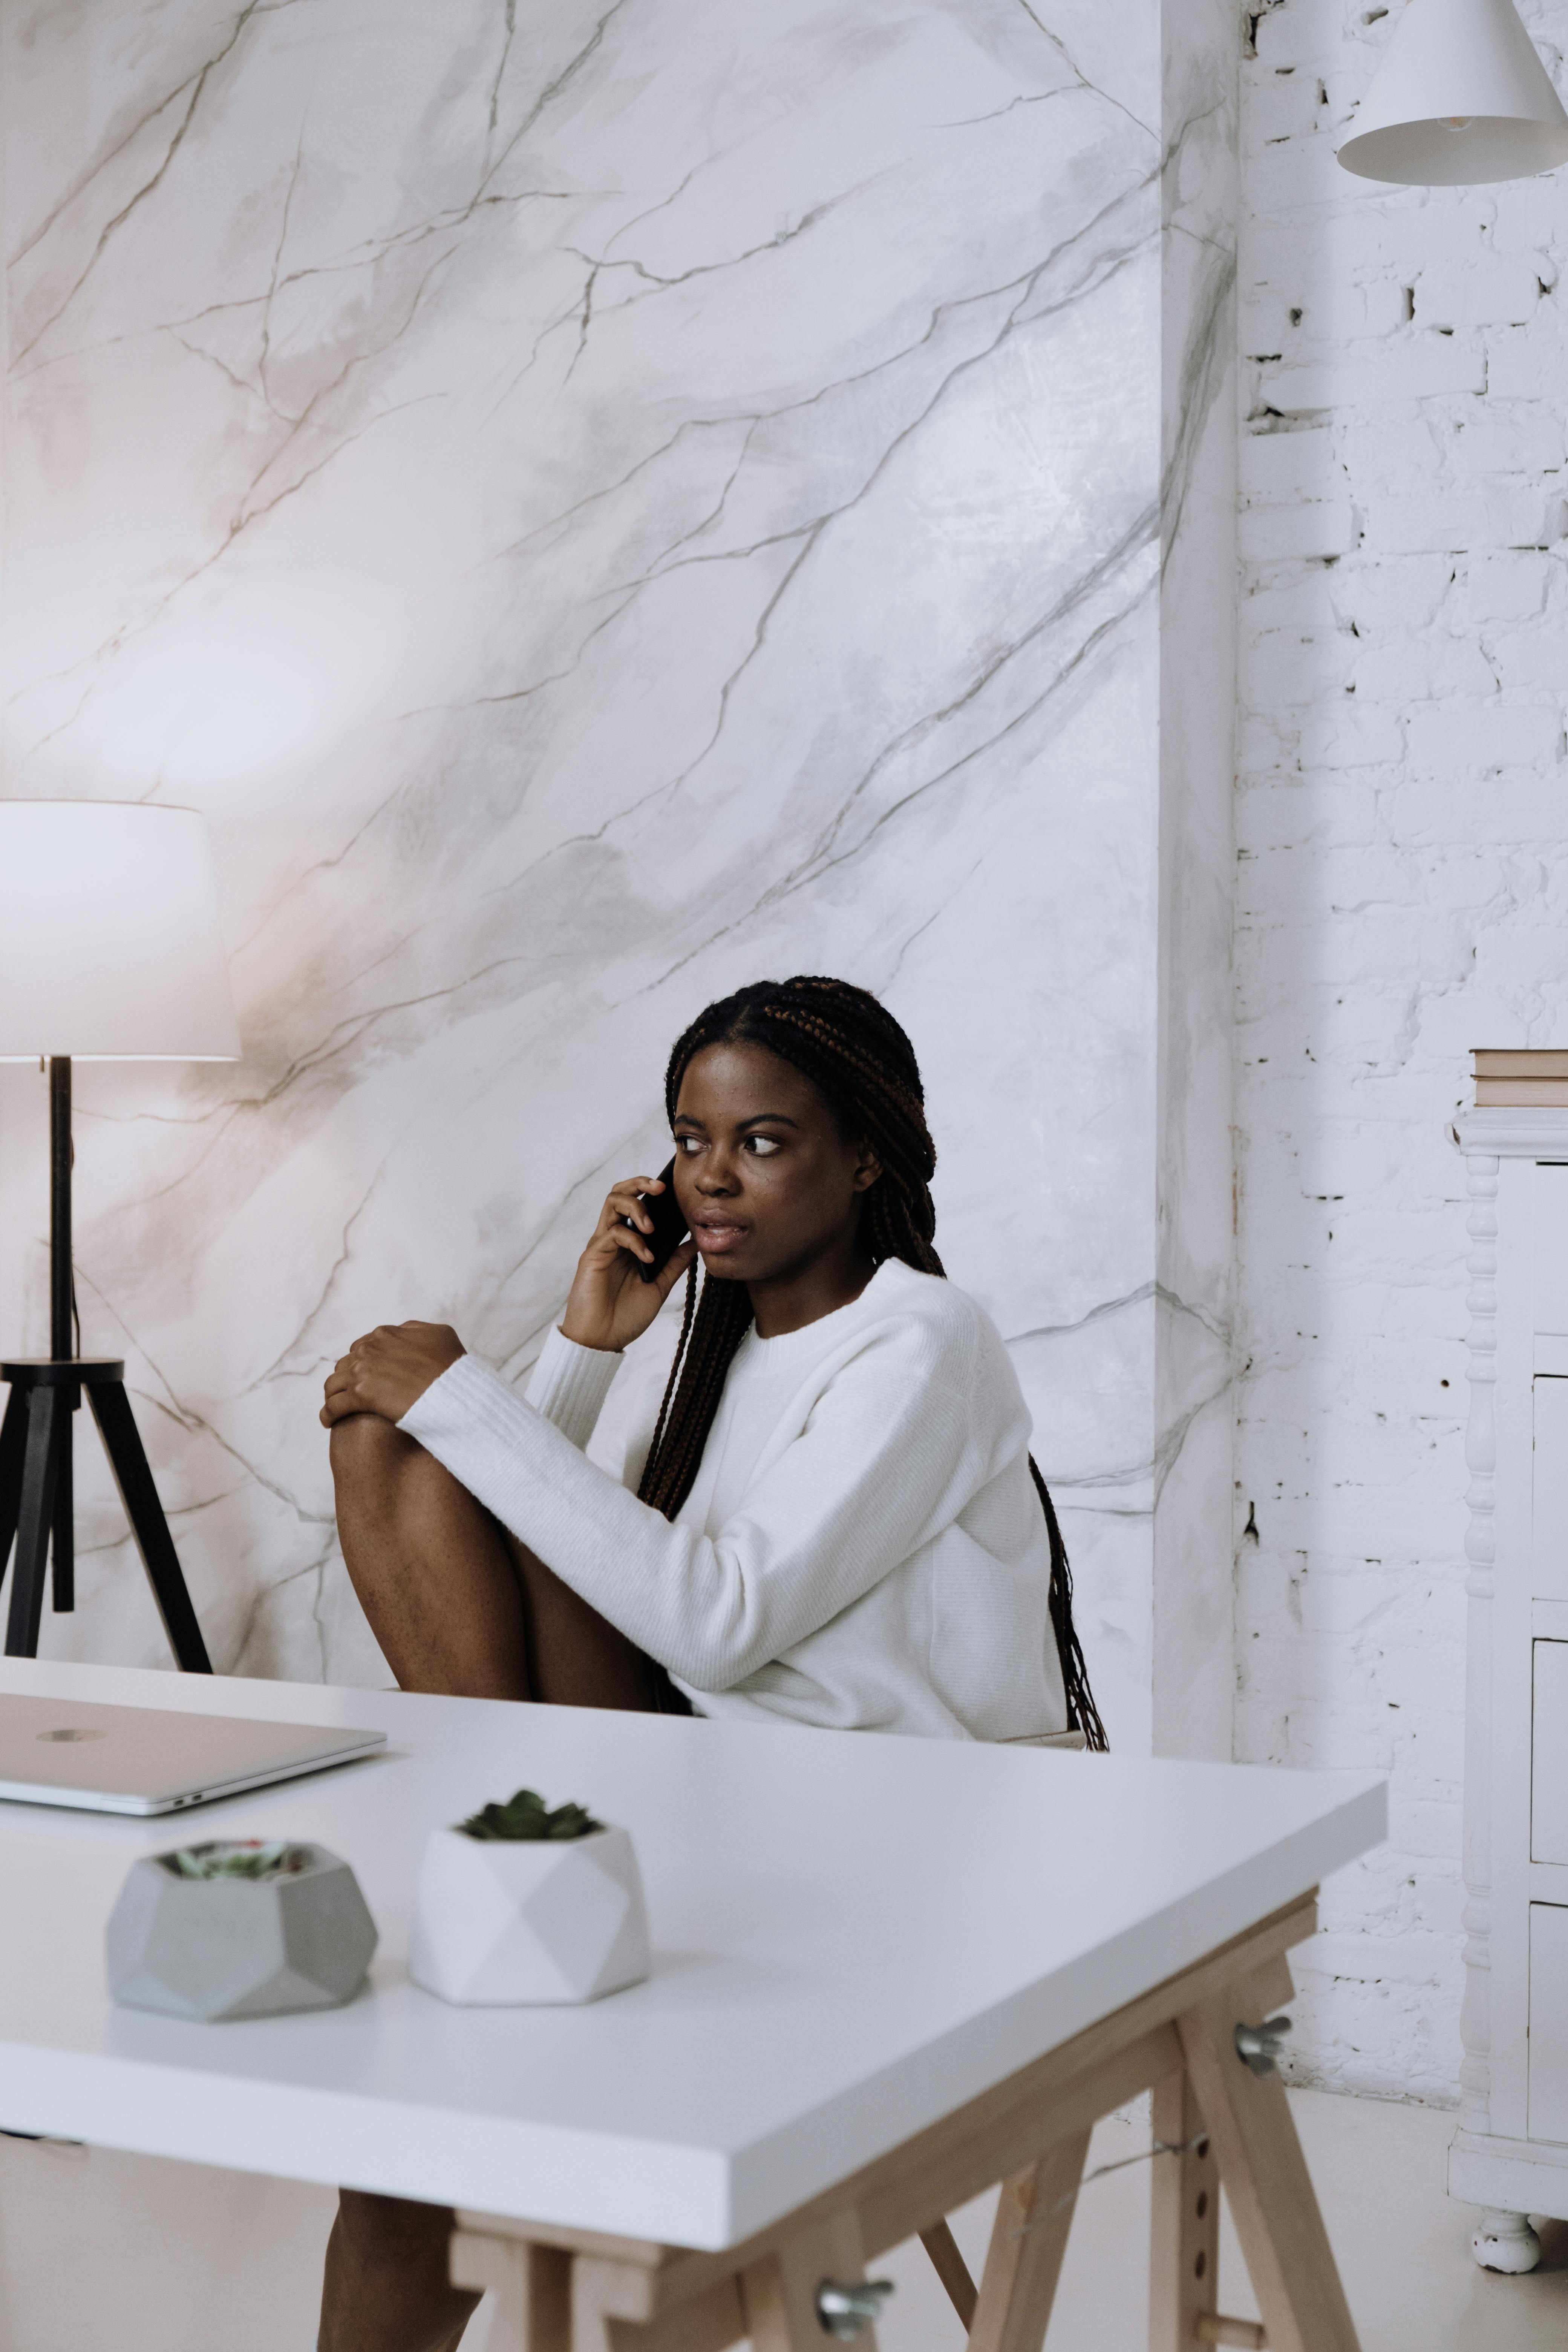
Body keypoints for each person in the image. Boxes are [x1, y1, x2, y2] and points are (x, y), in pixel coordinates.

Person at [315, 974, 1104, 2352]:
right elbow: (518, 1543)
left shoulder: (922, 1339)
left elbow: (720, 1622)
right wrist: (582, 1345)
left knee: (423, 1405)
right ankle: (525, 1861)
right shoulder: (718, 1352)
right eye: (691, 1141)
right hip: (704, 1789)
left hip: (882, 1843)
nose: (713, 1179)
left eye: (762, 1141)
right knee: (390, 1435)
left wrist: (465, 1396)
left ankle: (515, 1865)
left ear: (864, 1157)